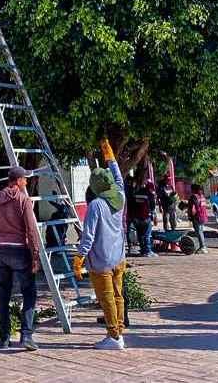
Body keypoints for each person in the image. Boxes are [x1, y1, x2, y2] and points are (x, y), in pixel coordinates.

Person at [73, 138, 127, 350]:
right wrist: (110, 157)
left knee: (107, 300)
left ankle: (114, 337)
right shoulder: (120, 197)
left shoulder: (96, 205)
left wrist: (79, 258)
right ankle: (119, 332)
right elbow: (119, 179)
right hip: (119, 257)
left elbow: (88, 237)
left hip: (102, 261)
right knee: (118, 296)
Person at [0, 166, 40, 351]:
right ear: (18, 180)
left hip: (1, 251)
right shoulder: (24, 200)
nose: (27, 182)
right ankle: (26, 335)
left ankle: (4, 338)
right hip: (20, 251)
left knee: (3, 295)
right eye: (25, 179)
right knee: (29, 293)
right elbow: (31, 230)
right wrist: (35, 256)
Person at [133, 179, 157, 257]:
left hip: (137, 217)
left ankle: (142, 250)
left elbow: (132, 205)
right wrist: (153, 217)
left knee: (140, 234)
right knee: (147, 234)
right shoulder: (149, 194)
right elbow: (152, 207)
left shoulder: (137, 193)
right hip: (146, 217)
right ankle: (148, 251)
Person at [187, 183, 208, 254]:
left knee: (199, 232)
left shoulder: (194, 196)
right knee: (201, 231)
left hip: (197, 216)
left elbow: (191, 207)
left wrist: (190, 216)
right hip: (203, 216)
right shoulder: (202, 196)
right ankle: (203, 246)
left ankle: (202, 247)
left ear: (193, 189)